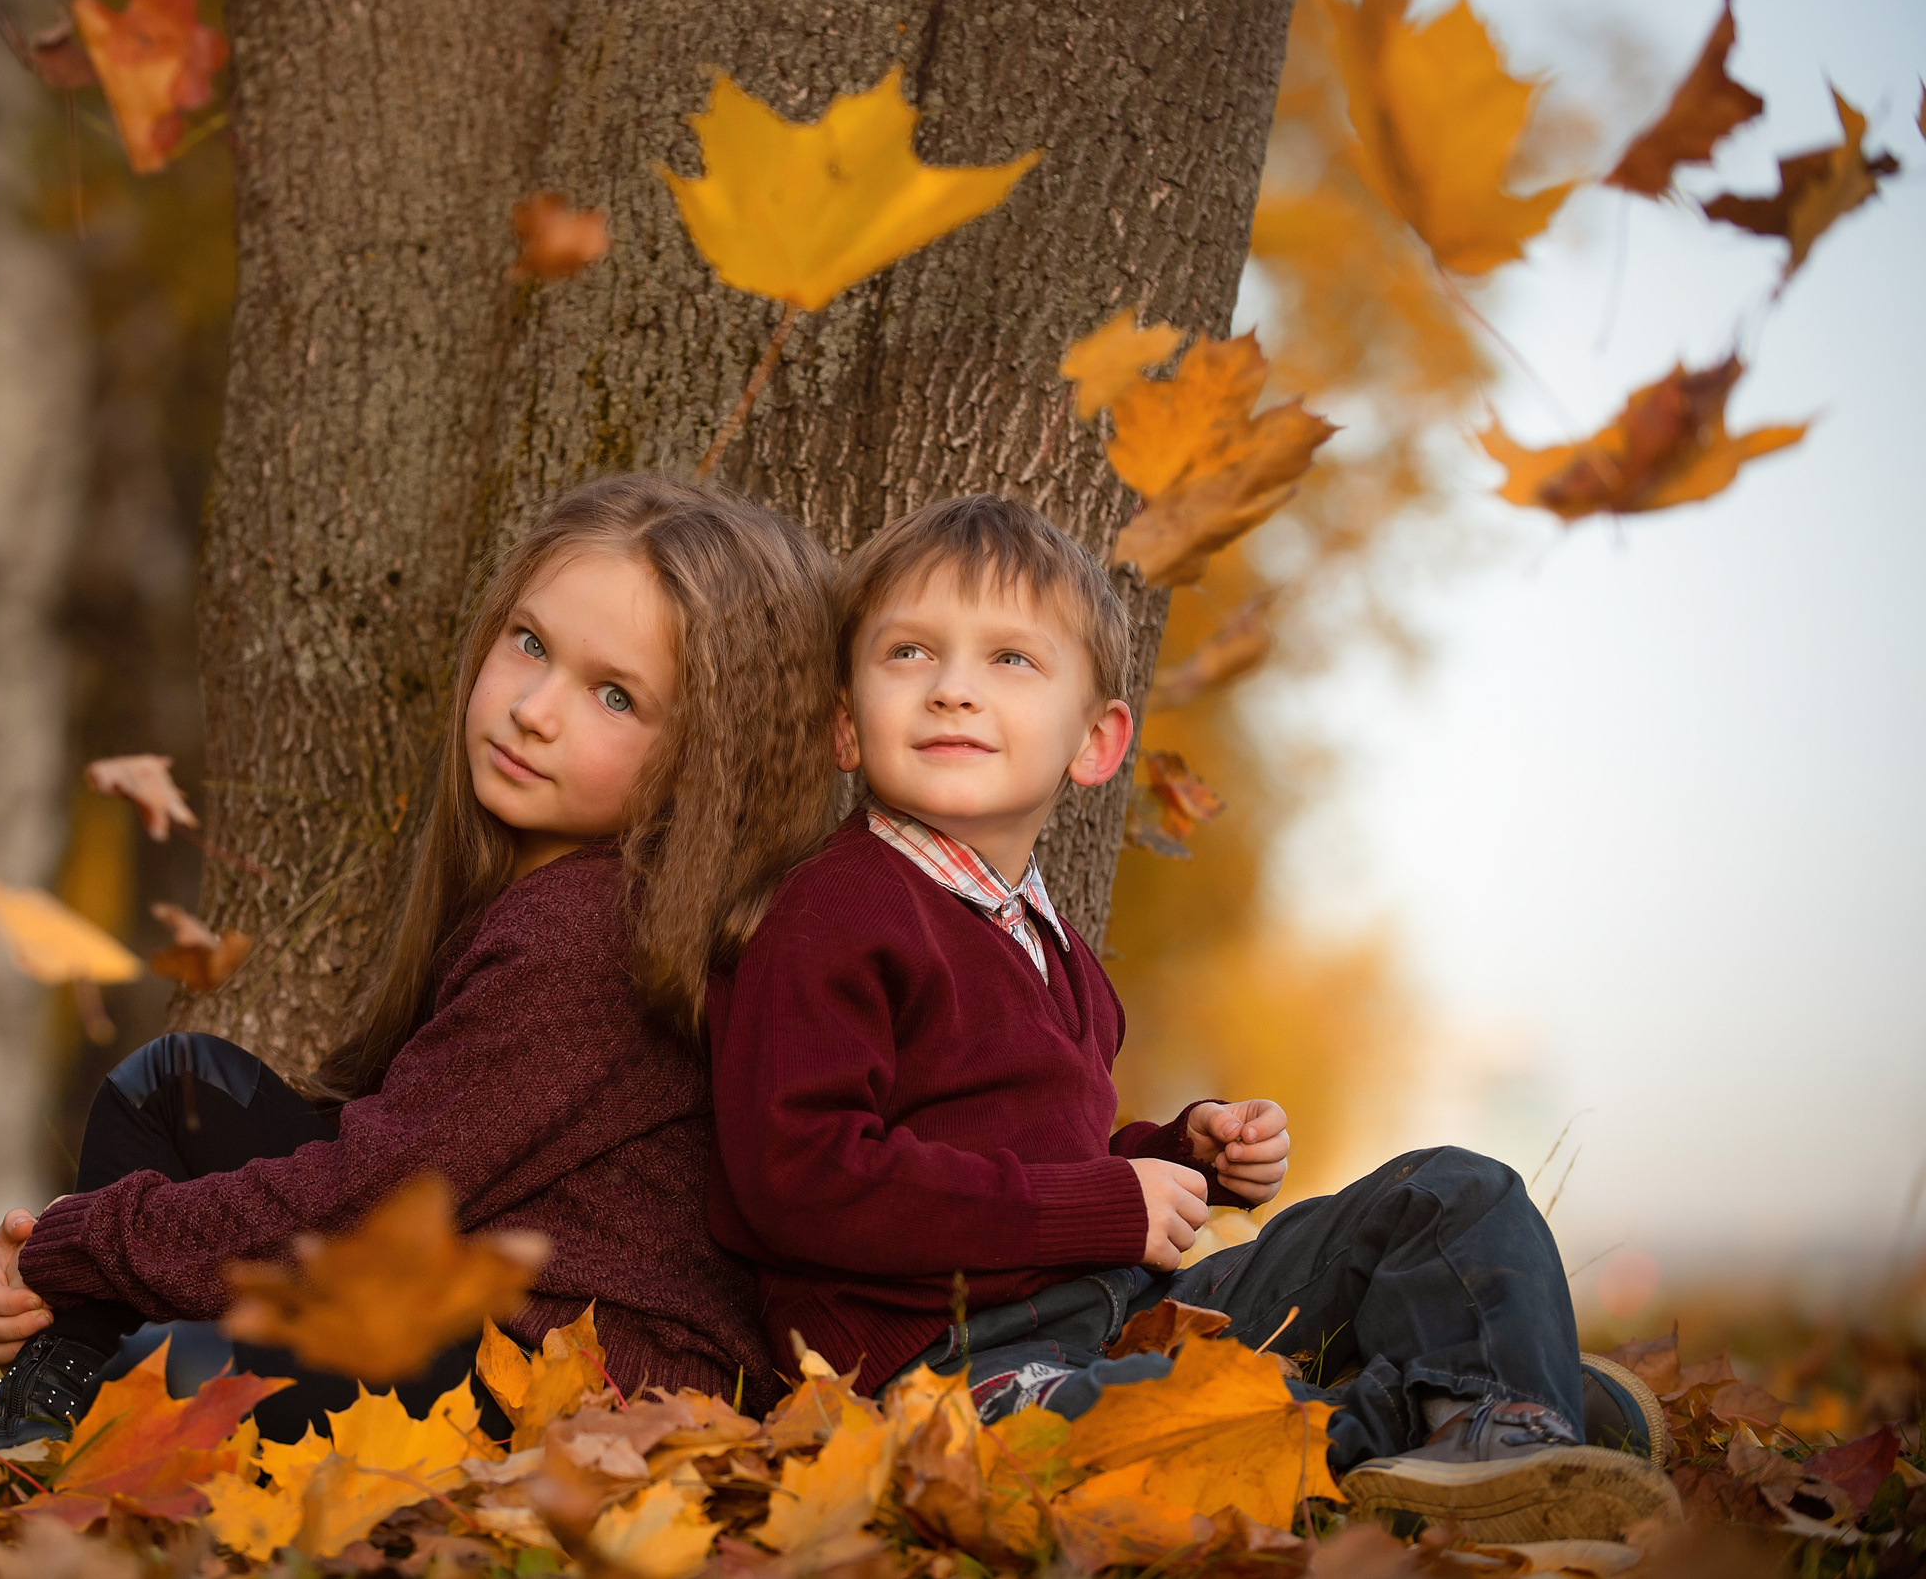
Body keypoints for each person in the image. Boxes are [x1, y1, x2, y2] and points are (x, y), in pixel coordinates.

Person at [704, 494, 1678, 1544]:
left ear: (1095, 741)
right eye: (908, 652)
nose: (951, 689)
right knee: (1141, 1441)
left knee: (1450, 1191)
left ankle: (1503, 1425)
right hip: (945, 1370)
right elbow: (797, 1177)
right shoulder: (831, 912)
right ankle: (1435, 1417)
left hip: (1115, 1313)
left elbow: (1049, 1156)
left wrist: (1180, 1154)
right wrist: (1104, 1204)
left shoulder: (1052, 943)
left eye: (1009, 661)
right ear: (847, 722)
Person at [0, 474, 840, 1445]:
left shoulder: (588, 937)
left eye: (613, 695)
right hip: (459, 1324)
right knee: (175, 1088)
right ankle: (51, 1396)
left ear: (707, 761)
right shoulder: (553, 895)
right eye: (529, 643)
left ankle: (66, 1402)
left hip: (568, 1401)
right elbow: (393, 1165)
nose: (534, 708)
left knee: (162, 1372)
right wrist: (83, 1256)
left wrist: (75, 1244)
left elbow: (360, 1206)